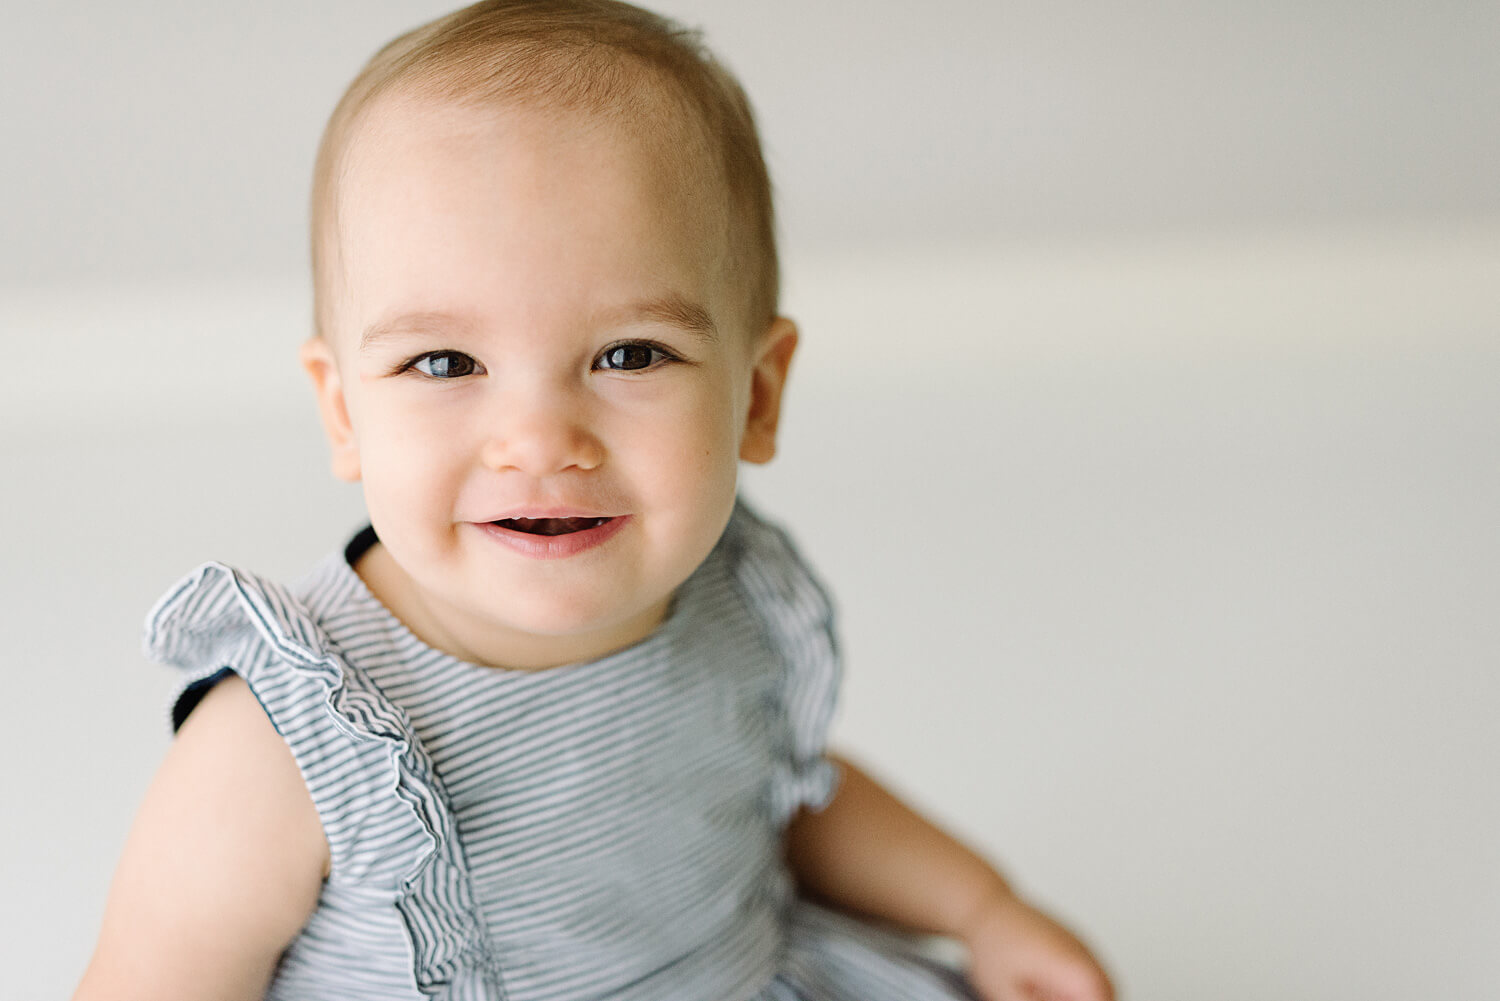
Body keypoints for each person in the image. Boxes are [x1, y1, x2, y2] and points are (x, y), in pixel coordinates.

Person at [73, 3, 1114, 1000]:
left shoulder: (726, 602)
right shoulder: (283, 750)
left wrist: (981, 907)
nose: (537, 439)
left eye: (629, 353)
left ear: (755, 394)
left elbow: (782, 804)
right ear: (343, 411)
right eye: (445, 360)